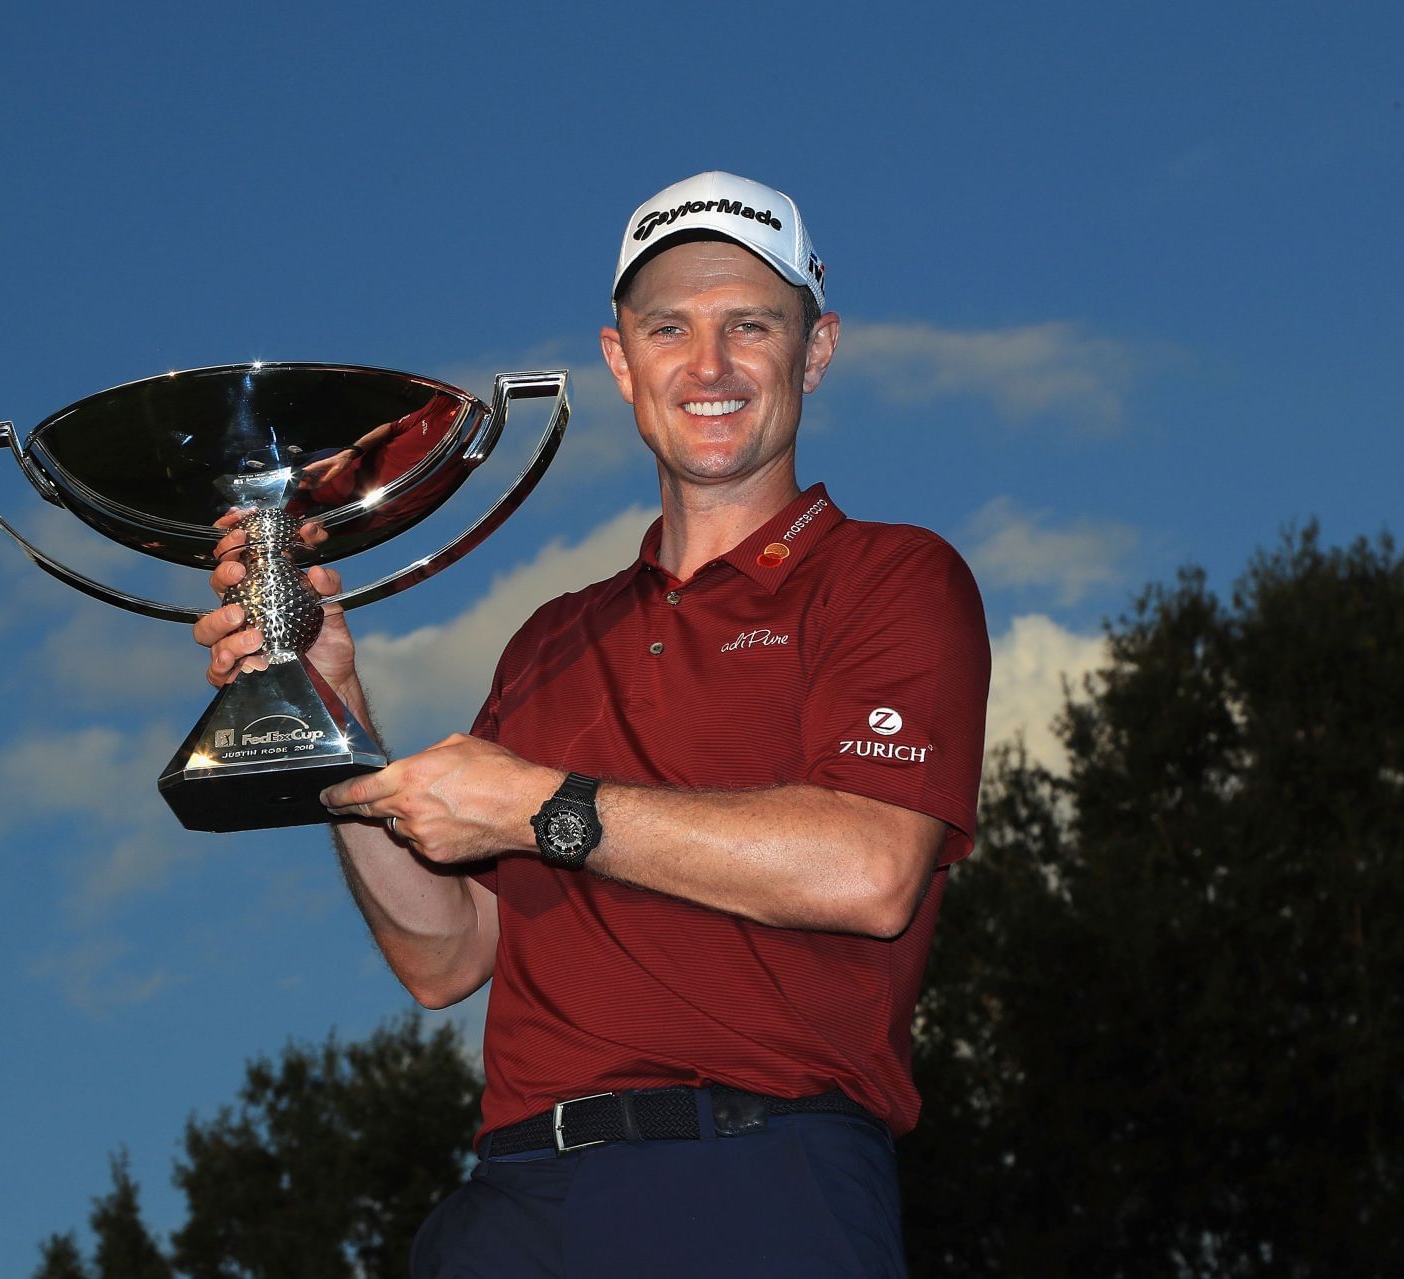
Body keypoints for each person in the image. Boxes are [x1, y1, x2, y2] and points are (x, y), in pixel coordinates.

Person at [195, 172, 990, 1277]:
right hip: (513, 1204)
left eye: (749, 325)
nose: (707, 366)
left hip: (756, 1178)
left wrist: (540, 803)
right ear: (622, 360)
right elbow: (447, 953)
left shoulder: (890, 577)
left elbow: (867, 868)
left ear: (815, 350)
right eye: (670, 327)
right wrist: (333, 711)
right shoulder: (548, 641)